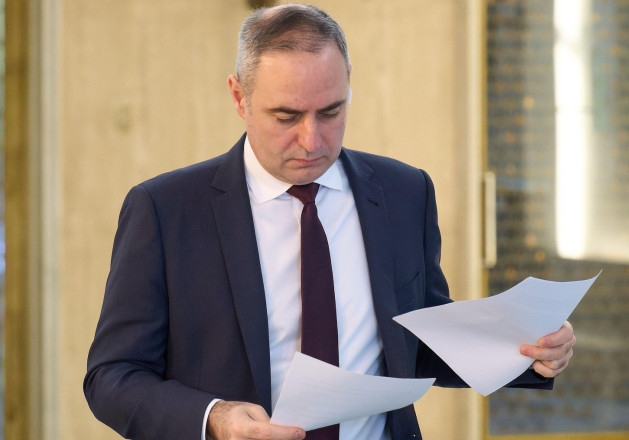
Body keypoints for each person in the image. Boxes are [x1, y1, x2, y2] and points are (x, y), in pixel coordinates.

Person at [84, 4, 576, 440]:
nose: (312, 140)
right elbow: (112, 376)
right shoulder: (165, 210)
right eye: (286, 116)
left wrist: (525, 351)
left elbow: (415, 344)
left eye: (331, 112)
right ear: (239, 98)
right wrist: (214, 418)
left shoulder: (405, 192)